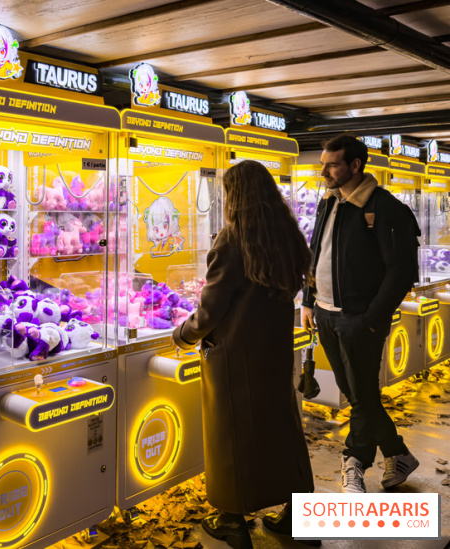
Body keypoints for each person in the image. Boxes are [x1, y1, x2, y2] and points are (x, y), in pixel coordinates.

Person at [172, 160, 315, 549]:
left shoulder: (231, 238)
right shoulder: (286, 233)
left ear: (236, 195)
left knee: (230, 434)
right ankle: (296, 515)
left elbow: (211, 307)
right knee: (283, 427)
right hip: (274, 349)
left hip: (234, 353)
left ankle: (232, 519)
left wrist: (183, 335)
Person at [301, 134, 420, 493]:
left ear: (355, 165)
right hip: (325, 315)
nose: (323, 171)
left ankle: (354, 461)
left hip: (358, 320)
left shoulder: (385, 208)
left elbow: (401, 273)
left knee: (361, 395)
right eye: (323, 163)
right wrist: (308, 299)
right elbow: (315, 252)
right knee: (359, 395)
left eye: (331, 164)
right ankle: (398, 455)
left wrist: (370, 321)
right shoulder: (328, 202)